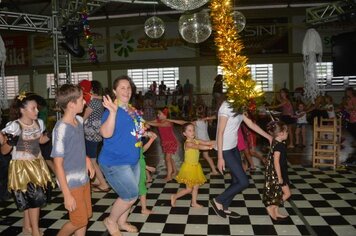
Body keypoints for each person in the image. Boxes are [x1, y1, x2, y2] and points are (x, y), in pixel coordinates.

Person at [1, 92, 54, 236]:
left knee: (30, 199)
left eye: (37, 108)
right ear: (22, 110)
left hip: (37, 165)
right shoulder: (14, 126)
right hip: (22, 168)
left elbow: (41, 140)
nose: (37, 111)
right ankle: (35, 231)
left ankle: (26, 227)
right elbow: (4, 151)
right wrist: (10, 142)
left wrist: (48, 135)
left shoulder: (39, 123)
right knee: (35, 199)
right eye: (33, 108)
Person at [210, 101, 272, 219]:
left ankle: (225, 207)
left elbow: (251, 125)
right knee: (244, 182)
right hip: (224, 150)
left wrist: (268, 137)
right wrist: (220, 157)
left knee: (236, 180)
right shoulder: (226, 107)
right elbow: (220, 132)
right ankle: (218, 200)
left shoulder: (240, 106)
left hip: (233, 147)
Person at [99, 76, 144, 235]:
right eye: (122, 88)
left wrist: (144, 132)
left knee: (130, 195)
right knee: (130, 195)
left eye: (129, 88)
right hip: (115, 162)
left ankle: (122, 222)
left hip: (132, 160)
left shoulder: (130, 109)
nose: (127, 91)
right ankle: (111, 221)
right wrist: (112, 112)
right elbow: (105, 133)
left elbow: (132, 131)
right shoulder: (112, 110)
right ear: (114, 91)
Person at [51, 84, 95, 236]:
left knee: (85, 217)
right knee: (78, 221)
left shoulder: (78, 121)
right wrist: (66, 194)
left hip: (83, 179)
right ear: (71, 104)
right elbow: (57, 164)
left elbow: (78, 148)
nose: (85, 102)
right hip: (71, 184)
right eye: (82, 100)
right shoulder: (61, 129)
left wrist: (87, 159)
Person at [171, 123, 214, 208]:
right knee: (189, 189)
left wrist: (219, 141)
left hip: (196, 167)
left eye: (193, 130)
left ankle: (194, 202)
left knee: (196, 186)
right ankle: (174, 196)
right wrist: (209, 147)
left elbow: (206, 142)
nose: (192, 132)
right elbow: (198, 146)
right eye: (189, 130)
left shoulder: (196, 140)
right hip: (189, 168)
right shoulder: (188, 143)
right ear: (184, 134)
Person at [81, 80, 110, 192]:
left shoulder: (93, 102)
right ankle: (98, 180)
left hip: (91, 133)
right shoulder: (99, 100)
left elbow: (84, 117)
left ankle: (103, 184)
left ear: (92, 89)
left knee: (92, 160)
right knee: (93, 159)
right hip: (97, 131)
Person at [263, 121, 291, 221]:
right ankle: (272, 207)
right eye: (286, 131)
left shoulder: (276, 142)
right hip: (278, 173)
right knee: (287, 194)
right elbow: (276, 162)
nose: (288, 133)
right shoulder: (279, 146)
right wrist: (279, 177)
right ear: (280, 133)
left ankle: (276, 211)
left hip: (279, 172)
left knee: (279, 193)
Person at [147, 108, 179, 182]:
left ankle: (169, 176)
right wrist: (144, 121)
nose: (158, 115)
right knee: (169, 158)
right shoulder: (159, 120)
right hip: (165, 142)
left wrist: (146, 122)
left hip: (171, 142)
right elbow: (152, 122)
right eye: (158, 114)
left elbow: (157, 124)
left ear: (165, 115)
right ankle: (174, 171)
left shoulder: (167, 122)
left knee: (167, 159)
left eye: (159, 114)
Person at [139, 130, 157, 215]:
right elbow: (136, 160)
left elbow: (143, 150)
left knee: (142, 189)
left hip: (140, 171)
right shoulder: (132, 145)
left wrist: (152, 139)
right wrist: (148, 167)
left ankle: (144, 208)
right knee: (142, 190)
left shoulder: (137, 146)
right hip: (138, 171)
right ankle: (144, 209)